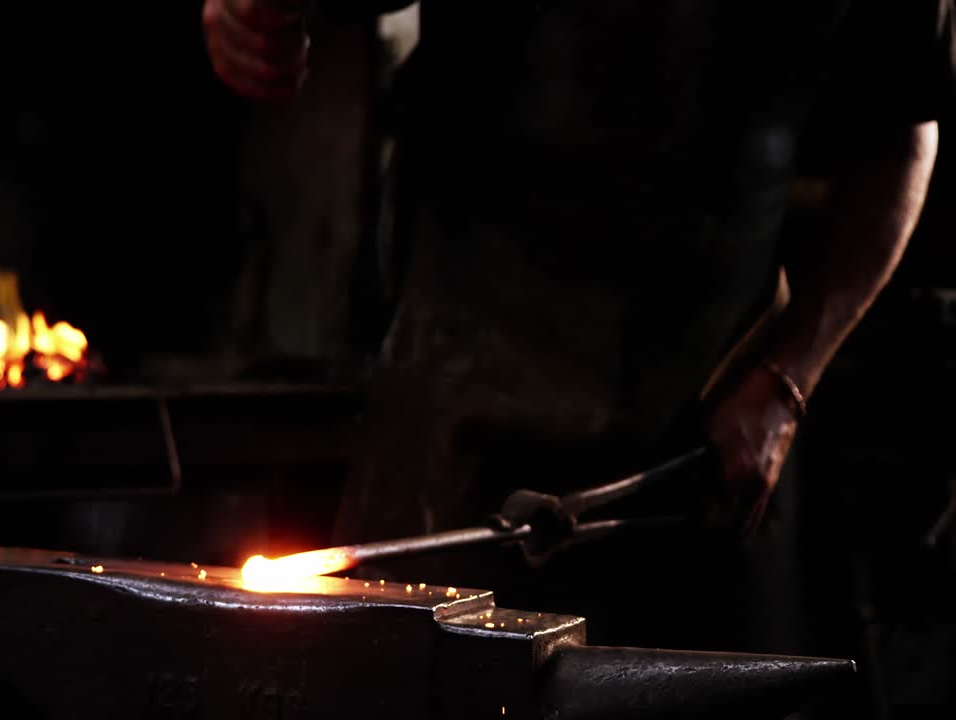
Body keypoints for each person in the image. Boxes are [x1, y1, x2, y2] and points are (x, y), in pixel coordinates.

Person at [202, 0, 956, 653]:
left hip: (709, 443)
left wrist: (786, 378)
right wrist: (252, 15)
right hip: (453, 413)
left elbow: (903, 132)